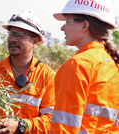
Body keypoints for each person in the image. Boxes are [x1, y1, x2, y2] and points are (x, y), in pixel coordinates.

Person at [0, 10, 56, 134]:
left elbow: (52, 120)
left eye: (20, 35)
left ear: (35, 42)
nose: (13, 39)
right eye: (11, 34)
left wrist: (21, 126)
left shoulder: (48, 77)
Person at [50, 0, 119, 133]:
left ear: (84, 25)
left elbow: (64, 128)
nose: (62, 28)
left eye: (67, 21)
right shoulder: (114, 65)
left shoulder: (77, 65)